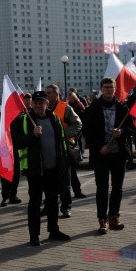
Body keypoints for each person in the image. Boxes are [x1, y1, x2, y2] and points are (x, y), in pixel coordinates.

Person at [12, 91, 71, 245]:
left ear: (47, 104)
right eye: (35, 103)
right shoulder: (24, 120)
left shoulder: (54, 118)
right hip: (35, 171)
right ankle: (34, 236)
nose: (38, 105)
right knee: (35, 204)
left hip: (53, 169)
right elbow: (16, 142)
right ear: (32, 104)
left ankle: (53, 230)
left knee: (52, 202)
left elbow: (61, 142)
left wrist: (63, 163)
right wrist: (32, 135)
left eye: (41, 103)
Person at [83, 78, 132, 234]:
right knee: (102, 188)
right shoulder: (92, 108)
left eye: (111, 87)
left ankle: (114, 216)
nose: (109, 90)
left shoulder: (122, 107)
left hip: (119, 154)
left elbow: (131, 129)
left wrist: (121, 132)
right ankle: (102, 219)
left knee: (118, 188)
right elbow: (87, 132)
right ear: (101, 89)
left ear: (115, 88)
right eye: (106, 87)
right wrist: (99, 147)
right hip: (101, 155)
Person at [44, 84, 82, 217]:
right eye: (46, 92)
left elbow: (78, 124)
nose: (47, 95)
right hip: (48, 150)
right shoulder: (43, 108)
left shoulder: (65, 108)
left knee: (65, 181)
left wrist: (64, 134)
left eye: (49, 93)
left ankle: (66, 207)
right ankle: (49, 205)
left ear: (56, 94)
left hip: (63, 149)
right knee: (48, 182)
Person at [67, 92, 87, 199]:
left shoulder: (71, 108)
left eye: (71, 98)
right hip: (59, 145)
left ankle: (77, 191)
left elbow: (78, 123)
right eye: (68, 98)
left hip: (70, 141)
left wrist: (68, 133)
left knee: (72, 169)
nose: (70, 99)